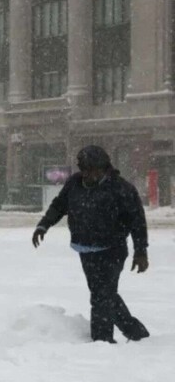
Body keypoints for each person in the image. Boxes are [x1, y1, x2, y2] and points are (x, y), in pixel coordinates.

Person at [32, 145, 150, 343]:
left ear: (103, 167)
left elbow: (137, 221)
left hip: (112, 250)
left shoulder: (121, 188)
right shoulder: (75, 183)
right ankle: (135, 332)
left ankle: (102, 341)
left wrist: (141, 251)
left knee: (101, 296)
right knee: (103, 294)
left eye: (92, 169)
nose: (87, 174)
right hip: (86, 250)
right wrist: (44, 225)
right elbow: (59, 205)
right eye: (84, 169)